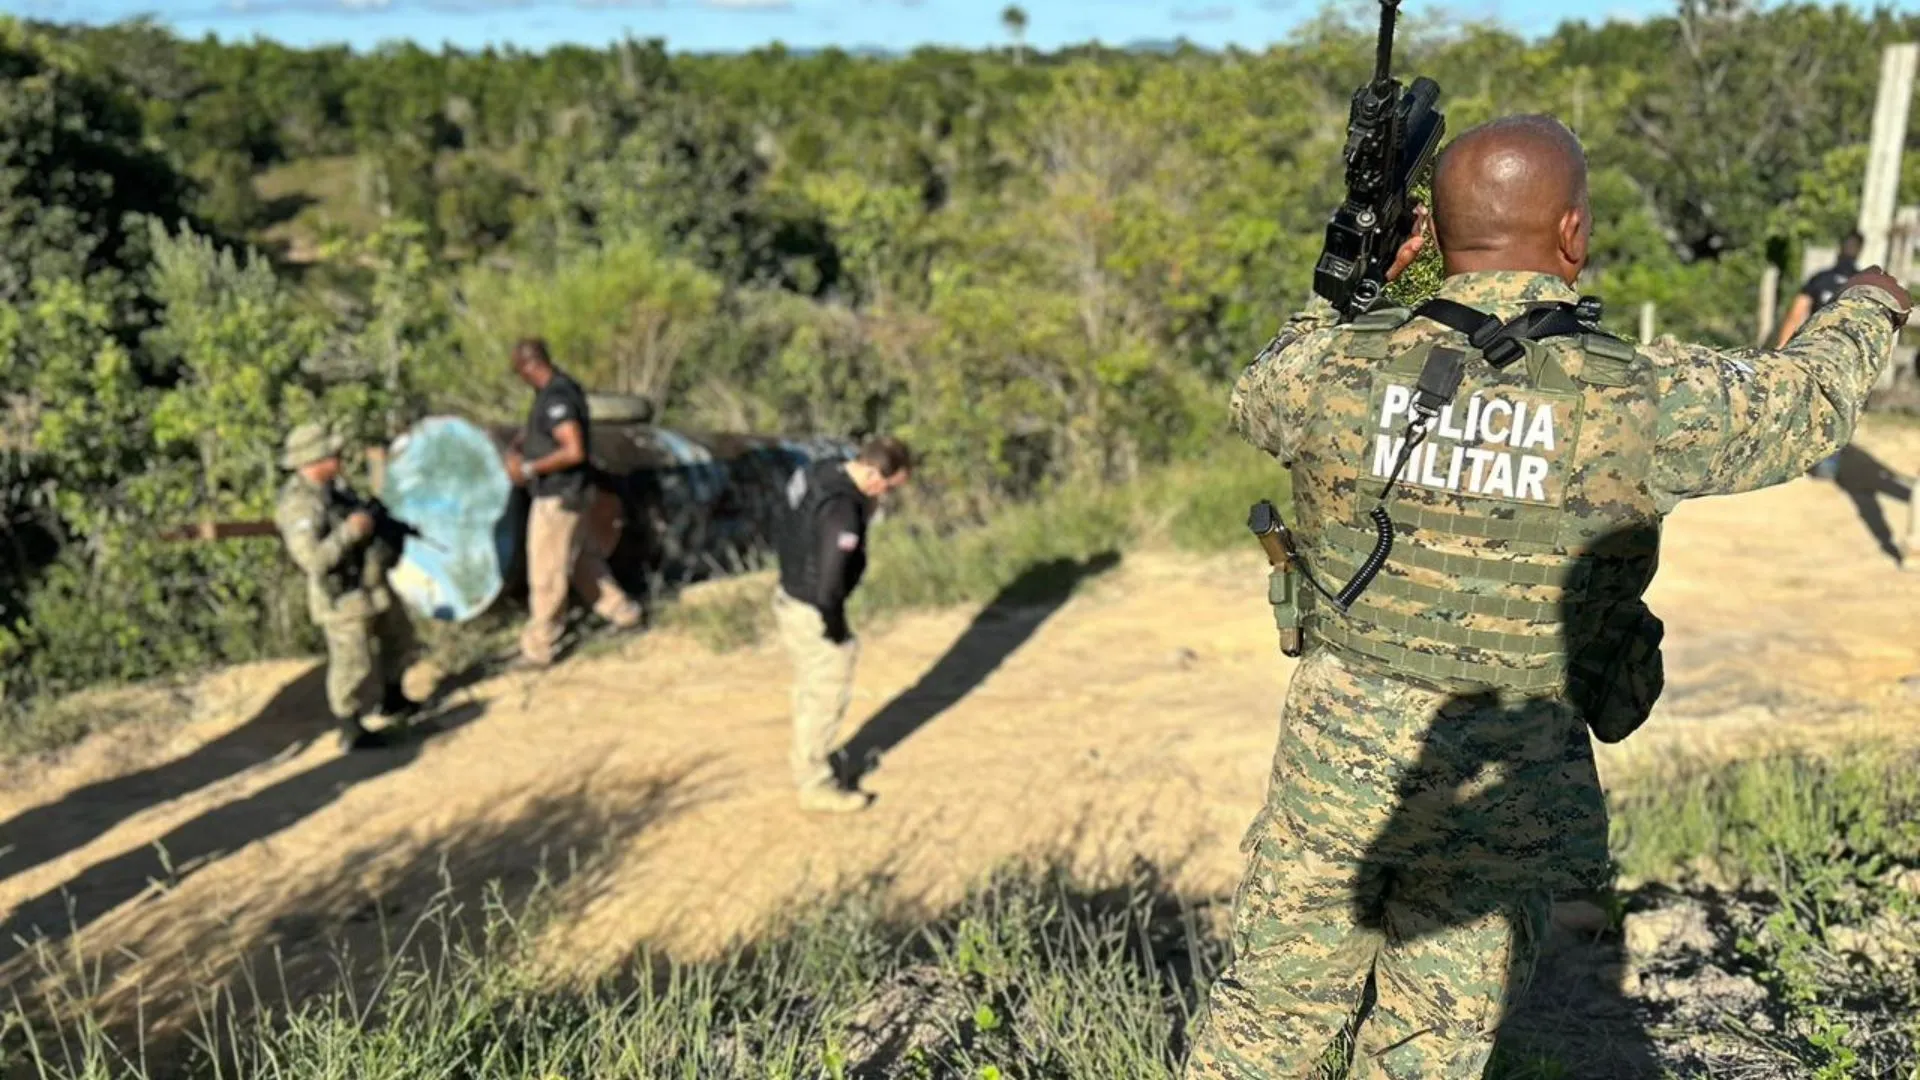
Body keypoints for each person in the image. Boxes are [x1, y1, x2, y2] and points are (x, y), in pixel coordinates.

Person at [1183, 114, 1909, 1079]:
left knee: (1264, 1020)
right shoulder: (1640, 395)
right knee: (1431, 1042)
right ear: (1572, 233)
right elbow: (1805, 403)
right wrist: (1869, 304)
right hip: (1507, 789)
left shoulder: (1334, 364)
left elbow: (1258, 392)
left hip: (1332, 773)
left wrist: (1351, 283)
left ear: (1434, 237)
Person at [770, 436, 913, 813]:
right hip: (813, 609)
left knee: (809, 686)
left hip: (789, 595)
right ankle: (814, 784)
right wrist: (834, 625)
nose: (886, 496)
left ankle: (806, 759)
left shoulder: (819, 471)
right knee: (826, 690)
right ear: (873, 473)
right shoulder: (842, 511)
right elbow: (830, 581)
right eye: (888, 487)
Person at [273, 421, 422, 750]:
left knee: (398, 637)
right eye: (332, 453)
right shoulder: (300, 504)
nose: (339, 457)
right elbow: (313, 560)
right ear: (314, 459)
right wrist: (351, 531)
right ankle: (350, 727)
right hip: (341, 595)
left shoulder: (335, 490)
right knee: (352, 661)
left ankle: (394, 698)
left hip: (369, 583)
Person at [503, 338, 643, 667]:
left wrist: (529, 468)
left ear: (530, 365)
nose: (519, 377)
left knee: (546, 571)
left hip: (559, 496)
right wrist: (521, 443)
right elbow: (546, 432)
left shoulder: (557, 398)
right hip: (573, 494)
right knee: (583, 562)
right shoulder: (560, 390)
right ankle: (624, 613)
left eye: (519, 370)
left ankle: (541, 645)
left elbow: (573, 450)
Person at [1776, 231, 1868, 479]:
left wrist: (1781, 351)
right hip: (1846, 360)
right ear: (1860, 251)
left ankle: (1795, 459)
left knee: (1806, 405)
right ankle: (1827, 465)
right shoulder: (1862, 286)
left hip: (1814, 354)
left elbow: (1796, 314)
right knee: (1837, 412)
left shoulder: (1820, 279)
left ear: (1839, 248)